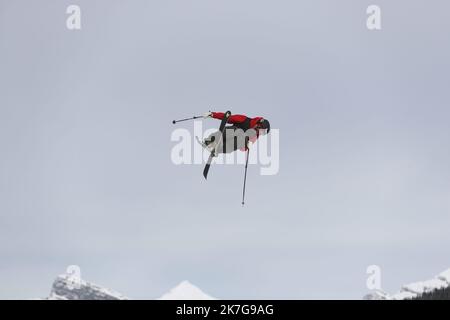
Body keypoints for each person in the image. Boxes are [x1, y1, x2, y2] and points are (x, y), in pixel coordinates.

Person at [201, 111, 271, 155]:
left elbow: (243, 149)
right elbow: (228, 118)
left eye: (263, 133)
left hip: (231, 143)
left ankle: (217, 149)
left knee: (242, 139)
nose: (260, 133)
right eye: (262, 131)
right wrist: (212, 114)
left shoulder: (255, 135)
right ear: (259, 124)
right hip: (227, 133)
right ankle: (210, 141)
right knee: (238, 131)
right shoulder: (244, 119)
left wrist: (247, 146)